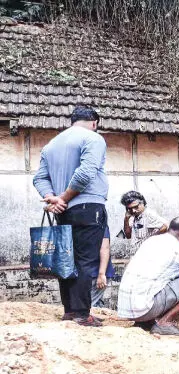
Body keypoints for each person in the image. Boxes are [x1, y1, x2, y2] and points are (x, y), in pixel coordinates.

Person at [33, 105, 108, 327]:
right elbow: (85, 173)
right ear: (94, 123)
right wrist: (64, 197)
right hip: (88, 207)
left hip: (63, 211)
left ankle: (69, 311)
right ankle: (83, 314)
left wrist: (52, 198)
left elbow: (39, 178)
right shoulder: (93, 138)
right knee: (85, 261)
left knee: (66, 258)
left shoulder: (51, 145)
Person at [91, 227, 117, 308]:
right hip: (89, 272)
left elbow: (105, 247)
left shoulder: (99, 221)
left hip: (96, 272)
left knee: (87, 308)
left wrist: (101, 274)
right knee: (95, 304)